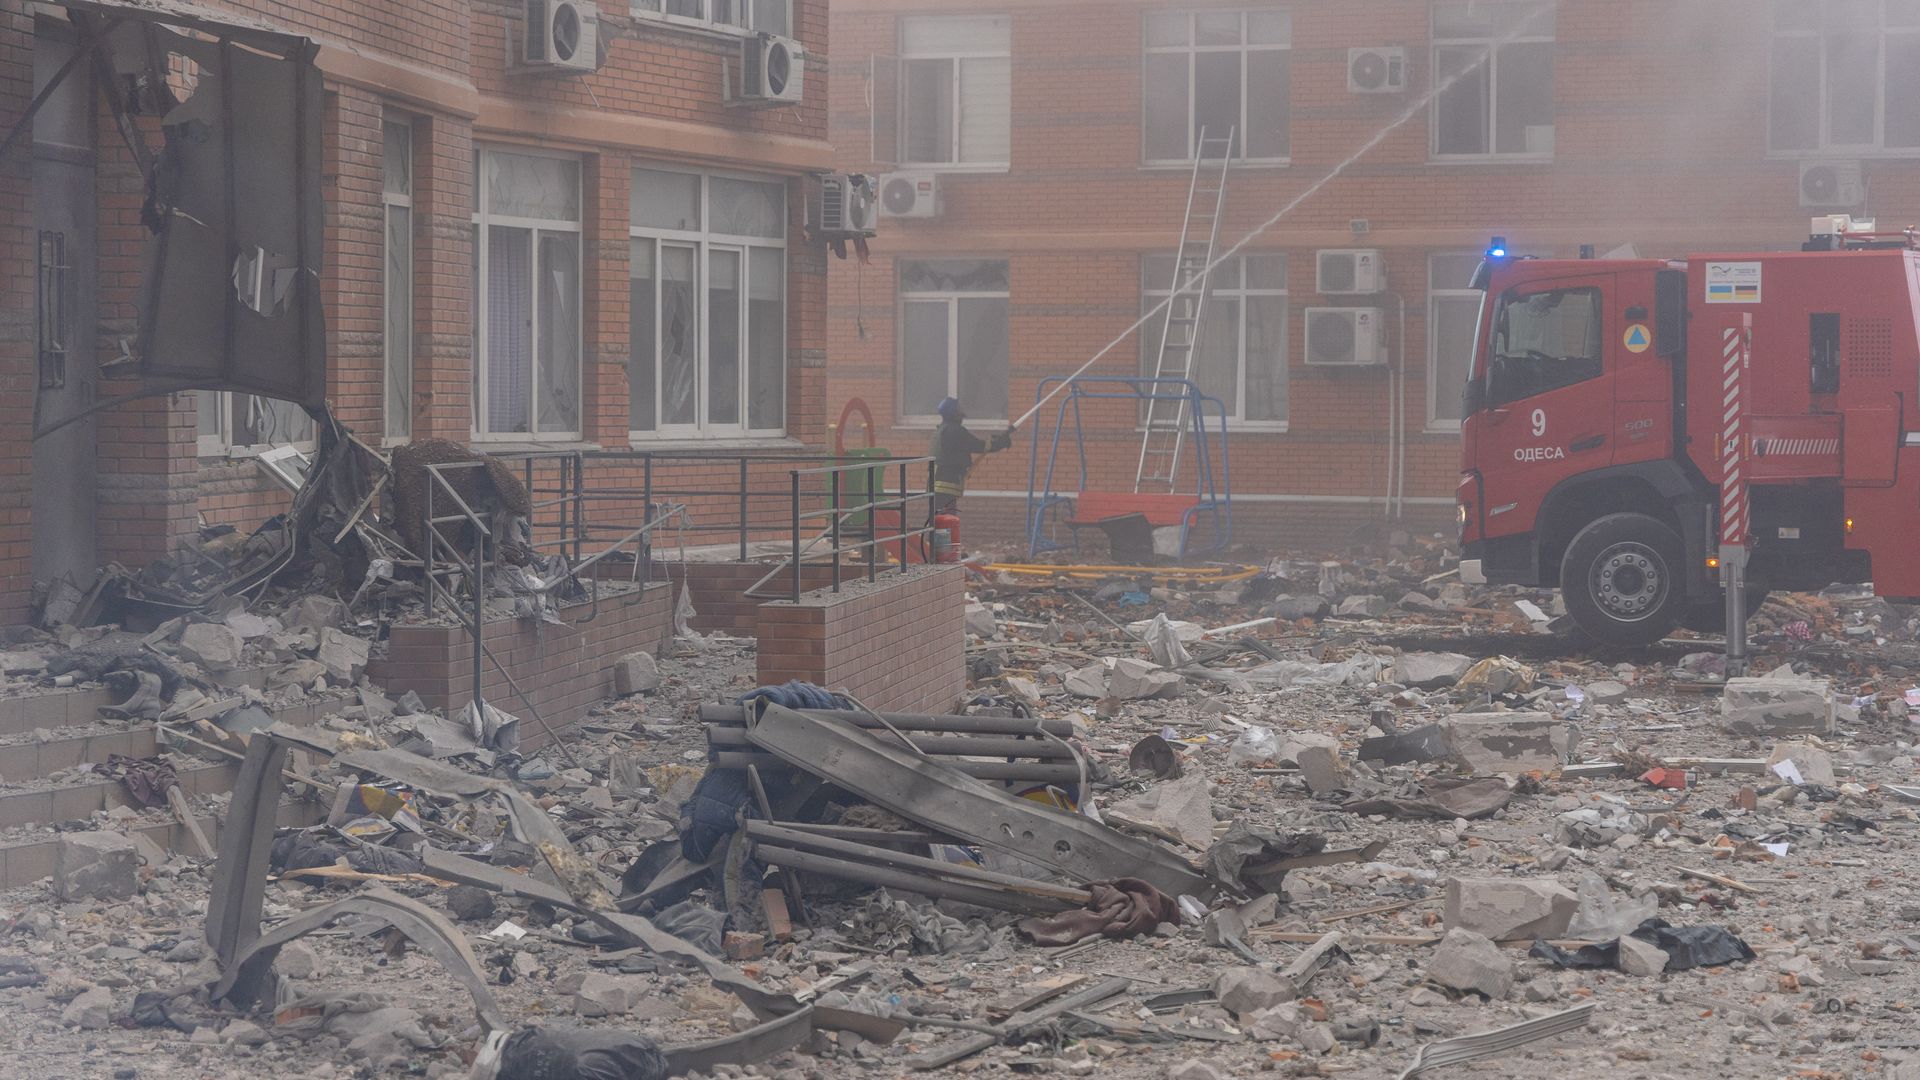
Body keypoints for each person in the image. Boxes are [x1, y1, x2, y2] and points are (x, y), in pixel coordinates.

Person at [929, 397, 1012, 513]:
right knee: (946, 521)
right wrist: (1001, 443)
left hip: (938, 485)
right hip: (947, 485)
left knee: (940, 520)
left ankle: (940, 532)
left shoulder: (942, 430)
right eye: (959, 408)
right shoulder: (955, 431)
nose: (962, 411)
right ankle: (943, 532)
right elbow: (979, 446)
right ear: (953, 412)